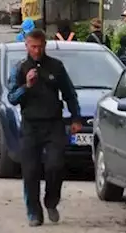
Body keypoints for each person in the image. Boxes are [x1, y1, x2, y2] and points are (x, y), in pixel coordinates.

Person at [9, 28, 83, 227]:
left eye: (40, 47)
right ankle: (34, 212)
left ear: (45, 45)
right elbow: (12, 98)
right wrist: (26, 86)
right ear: (26, 46)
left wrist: (76, 118)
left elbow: (69, 93)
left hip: (54, 124)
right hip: (30, 126)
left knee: (55, 165)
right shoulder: (20, 68)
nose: (36, 50)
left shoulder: (56, 67)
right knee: (31, 171)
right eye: (33, 47)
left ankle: (51, 201)